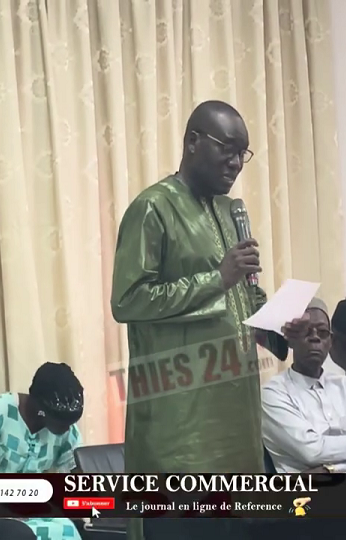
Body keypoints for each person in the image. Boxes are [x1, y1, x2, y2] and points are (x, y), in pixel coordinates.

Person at [110, 100, 287, 540]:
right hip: (180, 434)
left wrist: (278, 326)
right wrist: (218, 278)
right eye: (227, 149)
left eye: (242, 153)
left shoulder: (229, 212)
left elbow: (241, 302)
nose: (235, 163)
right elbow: (128, 301)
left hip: (237, 432)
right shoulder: (152, 208)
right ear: (192, 141)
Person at [0, 362, 85, 540]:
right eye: (62, 423)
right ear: (40, 407)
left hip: (30, 510)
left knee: (68, 530)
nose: (67, 429)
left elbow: (76, 474)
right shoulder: (0, 411)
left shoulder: (65, 428)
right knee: (21, 534)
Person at [263, 299, 346, 473]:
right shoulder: (273, 393)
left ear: (331, 341)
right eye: (306, 331)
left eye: (322, 332)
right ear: (290, 340)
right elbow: (312, 452)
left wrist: (330, 469)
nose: (315, 337)